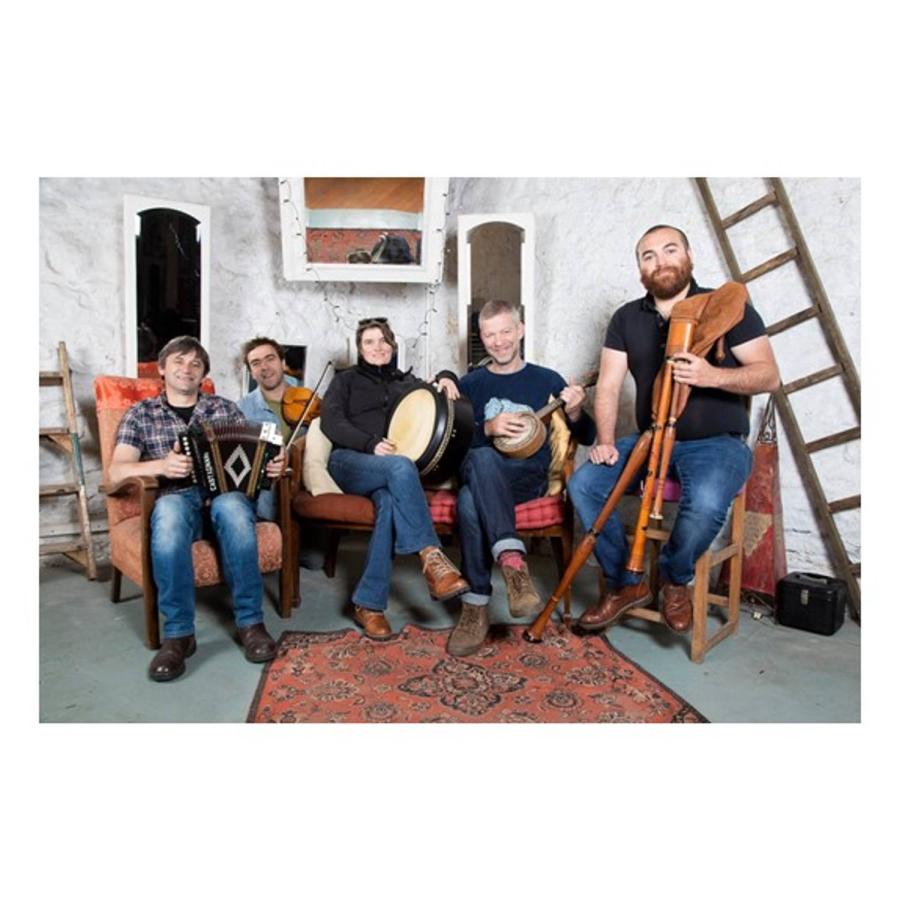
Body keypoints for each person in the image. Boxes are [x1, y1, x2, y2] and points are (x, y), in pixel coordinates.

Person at [567, 225, 780, 634]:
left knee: (704, 502)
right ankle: (625, 583)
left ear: (689, 257)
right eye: (648, 256)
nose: (660, 261)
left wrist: (711, 375)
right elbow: (609, 385)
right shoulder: (627, 318)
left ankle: (673, 579)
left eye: (669, 250)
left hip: (717, 444)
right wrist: (607, 442)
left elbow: (769, 376)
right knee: (585, 483)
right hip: (650, 440)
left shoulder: (725, 308)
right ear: (640, 270)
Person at [109, 335, 285, 682]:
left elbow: (252, 461)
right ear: (161, 369)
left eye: (195, 364)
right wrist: (161, 465)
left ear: (203, 372)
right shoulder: (140, 414)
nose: (186, 369)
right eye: (178, 361)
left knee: (234, 510)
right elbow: (116, 471)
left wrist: (271, 466)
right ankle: (179, 635)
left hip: (224, 495)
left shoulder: (223, 409)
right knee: (170, 516)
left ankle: (250, 624)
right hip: (176, 497)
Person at [445, 300, 596, 657]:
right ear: (481, 337)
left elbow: (586, 436)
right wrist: (488, 427)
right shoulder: (471, 384)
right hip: (479, 469)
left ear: (521, 331)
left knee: (468, 502)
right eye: (490, 334)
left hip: (526, 477)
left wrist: (574, 410)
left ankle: (475, 605)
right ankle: (513, 565)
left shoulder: (547, 380)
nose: (498, 342)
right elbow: (454, 443)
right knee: (481, 458)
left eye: (506, 332)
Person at [319, 317, 469, 639]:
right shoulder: (345, 381)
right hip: (349, 461)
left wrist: (446, 377)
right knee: (403, 467)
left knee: (388, 502)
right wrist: (369, 444)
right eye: (369, 342)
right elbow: (331, 422)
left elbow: (437, 387)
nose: (378, 347)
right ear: (359, 349)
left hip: (385, 473)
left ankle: (368, 605)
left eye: (383, 341)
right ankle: (431, 557)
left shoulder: (406, 383)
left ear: (393, 345)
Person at [238, 337, 300, 522]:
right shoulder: (242, 408)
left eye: (270, 358)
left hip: (301, 474)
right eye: (256, 363)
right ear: (251, 373)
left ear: (282, 362)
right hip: (267, 480)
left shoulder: (310, 400)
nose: (264, 367)